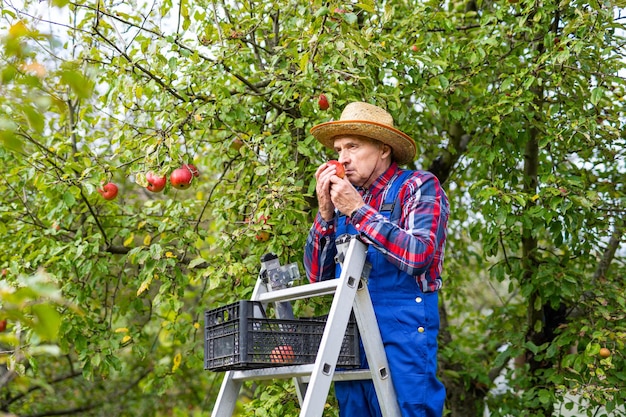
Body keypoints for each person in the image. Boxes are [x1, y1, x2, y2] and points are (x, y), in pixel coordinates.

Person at [304, 101, 449, 417]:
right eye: (339, 149)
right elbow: (317, 278)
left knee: (411, 410)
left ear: (384, 149)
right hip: (351, 330)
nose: (342, 158)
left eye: (353, 147)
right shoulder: (343, 200)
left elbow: (419, 255)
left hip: (403, 328)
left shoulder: (417, 186)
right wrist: (326, 212)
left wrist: (357, 211)